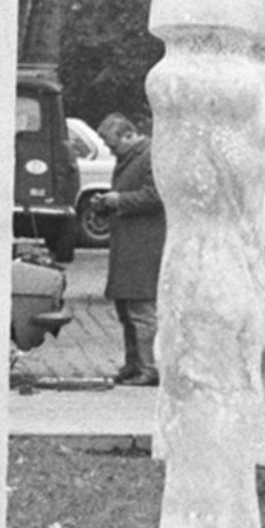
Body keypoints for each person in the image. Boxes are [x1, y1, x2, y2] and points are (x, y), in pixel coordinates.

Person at [94, 112, 164, 386]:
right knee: (126, 309)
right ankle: (133, 364)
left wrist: (119, 200)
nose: (111, 151)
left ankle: (150, 368)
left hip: (145, 245)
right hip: (129, 244)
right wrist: (106, 204)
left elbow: (156, 195)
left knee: (142, 310)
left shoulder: (151, 156)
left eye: (113, 145)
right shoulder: (131, 157)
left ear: (128, 135)